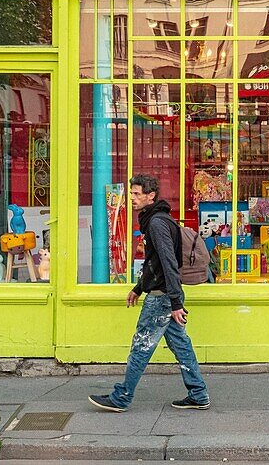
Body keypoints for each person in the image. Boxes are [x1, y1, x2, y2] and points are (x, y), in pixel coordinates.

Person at [89, 175, 210, 413]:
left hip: (162, 298)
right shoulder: (157, 220)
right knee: (181, 345)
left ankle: (122, 397)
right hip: (165, 294)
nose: (132, 198)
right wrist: (138, 288)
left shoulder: (156, 223)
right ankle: (198, 393)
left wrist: (175, 302)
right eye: (131, 193)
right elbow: (153, 262)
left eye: (136, 194)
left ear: (150, 196)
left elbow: (168, 263)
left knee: (141, 346)